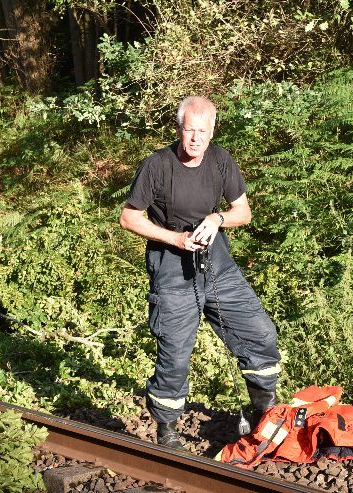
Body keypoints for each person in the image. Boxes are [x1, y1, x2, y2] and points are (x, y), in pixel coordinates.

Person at [119, 96, 281, 450]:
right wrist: (173, 238)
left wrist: (217, 218)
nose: (195, 138)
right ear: (178, 129)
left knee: (261, 334)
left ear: (212, 132)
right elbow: (129, 218)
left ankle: (263, 412)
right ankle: (167, 430)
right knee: (175, 354)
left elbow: (243, 212)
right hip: (172, 272)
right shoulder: (157, 166)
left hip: (218, 266)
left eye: (202, 131)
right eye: (189, 130)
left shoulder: (221, 160)